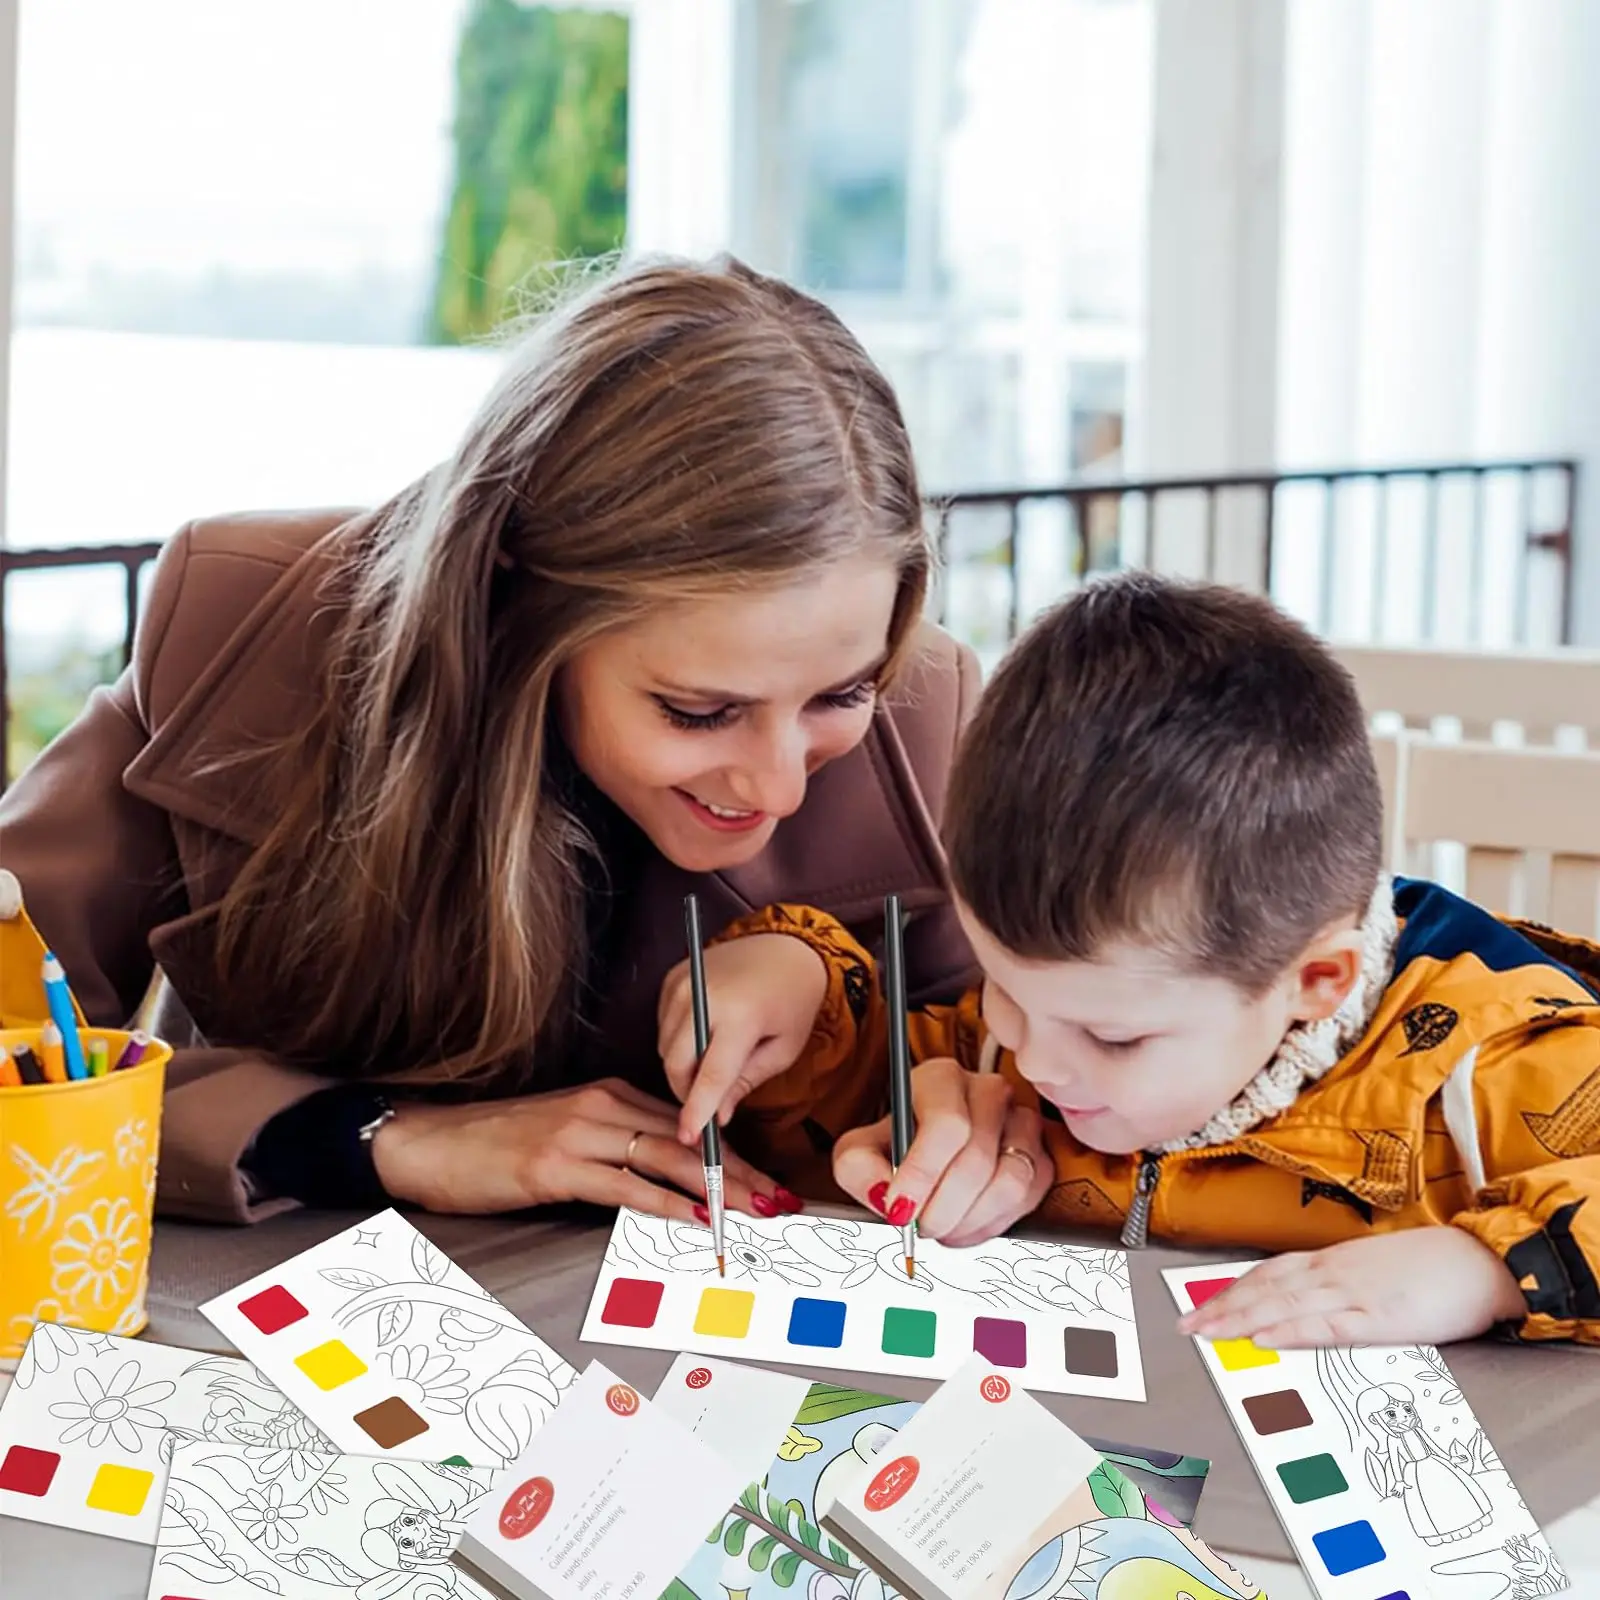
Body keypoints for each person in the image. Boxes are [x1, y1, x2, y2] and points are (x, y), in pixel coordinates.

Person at [0, 255, 981, 1226]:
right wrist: (375, 1138)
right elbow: (22, 1042)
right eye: (697, 710)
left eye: (840, 693)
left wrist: (973, 1109)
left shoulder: (926, 717)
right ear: (517, 591)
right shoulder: (240, 629)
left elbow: (1025, 1058)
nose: (779, 788)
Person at [669, 572, 1600, 1348]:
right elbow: (834, 1116)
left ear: (1317, 984)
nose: (1037, 1062)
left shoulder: (1499, 1063)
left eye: (1114, 1039)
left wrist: (1484, 1270)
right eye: (1005, 991)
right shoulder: (1039, 1024)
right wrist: (796, 978)